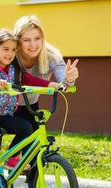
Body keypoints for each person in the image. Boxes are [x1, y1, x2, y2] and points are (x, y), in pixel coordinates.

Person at [0, 29, 60, 188]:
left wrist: (52, 85)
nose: (10, 54)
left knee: (26, 127)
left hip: (3, 116)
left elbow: (29, 80)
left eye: (13, 50)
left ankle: (11, 158)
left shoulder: (14, 69)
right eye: (6, 49)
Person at [6, 15, 79, 164]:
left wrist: (70, 78)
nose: (33, 45)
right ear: (18, 41)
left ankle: (33, 182)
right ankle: (3, 169)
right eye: (26, 40)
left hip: (30, 105)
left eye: (37, 38)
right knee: (15, 142)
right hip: (6, 105)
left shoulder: (51, 55)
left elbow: (63, 81)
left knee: (33, 157)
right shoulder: (11, 54)